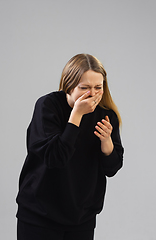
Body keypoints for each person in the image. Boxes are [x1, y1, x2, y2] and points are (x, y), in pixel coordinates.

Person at [16, 53, 124, 240]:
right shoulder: (47, 106)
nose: (92, 94)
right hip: (39, 213)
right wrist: (76, 116)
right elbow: (55, 157)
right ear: (69, 85)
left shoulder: (106, 116)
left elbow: (112, 168)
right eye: (85, 88)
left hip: (81, 217)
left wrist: (107, 141)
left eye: (98, 87)